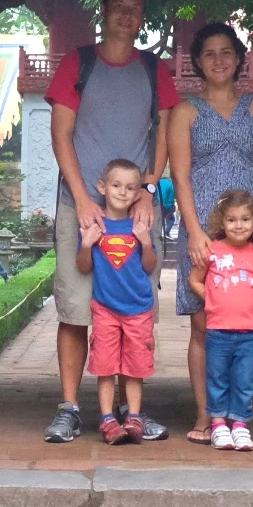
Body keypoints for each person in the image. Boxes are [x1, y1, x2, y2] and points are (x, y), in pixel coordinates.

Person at [43, 0, 179, 443]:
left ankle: (127, 409)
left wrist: (149, 186)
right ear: (103, 12)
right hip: (81, 205)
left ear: (143, 18)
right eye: (118, 7)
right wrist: (83, 197)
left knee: (131, 308)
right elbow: (61, 134)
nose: (127, 15)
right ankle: (69, 407)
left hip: (136, 206)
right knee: (76, 308)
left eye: (135, 9)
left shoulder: (152, 69)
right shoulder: (77, 64)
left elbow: (162, 133)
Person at [165, 22, 253, 444]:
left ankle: (239, 416)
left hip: (249, 232)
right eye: (209, 53)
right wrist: (195, 233)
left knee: (243, 324)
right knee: (203, 326)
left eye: (226, 51)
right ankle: (206, 416)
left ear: (238, 57)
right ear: (197, 60)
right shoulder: (186, 111)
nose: (218, 60)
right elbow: (179, 175)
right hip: (205, 231)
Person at [77, 159, 161, 445]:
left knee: (136, 367)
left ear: (138, 193)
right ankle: (107, 419)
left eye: (130, 188)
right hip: (105, 309)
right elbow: (83, 266)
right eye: (116, 185)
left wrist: (146, 242)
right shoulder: (95, 226)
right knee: (105, 366)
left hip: (138, 308)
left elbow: (150, 266)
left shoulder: (139, 225)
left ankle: (134, 417)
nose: (122, 193)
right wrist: (87, 244)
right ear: (102, 187)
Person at [189, 189, 253, 452]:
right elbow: (195, 279)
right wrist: (212, 300)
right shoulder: (213, 250)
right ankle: (217, 425)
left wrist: (252, 302)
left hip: (248, 332)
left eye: (246, 219)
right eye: (232, 220)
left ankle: (239, 425)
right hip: (218, 331)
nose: (239, 225)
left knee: (244, 380)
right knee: (217, 378)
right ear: (221, 223)